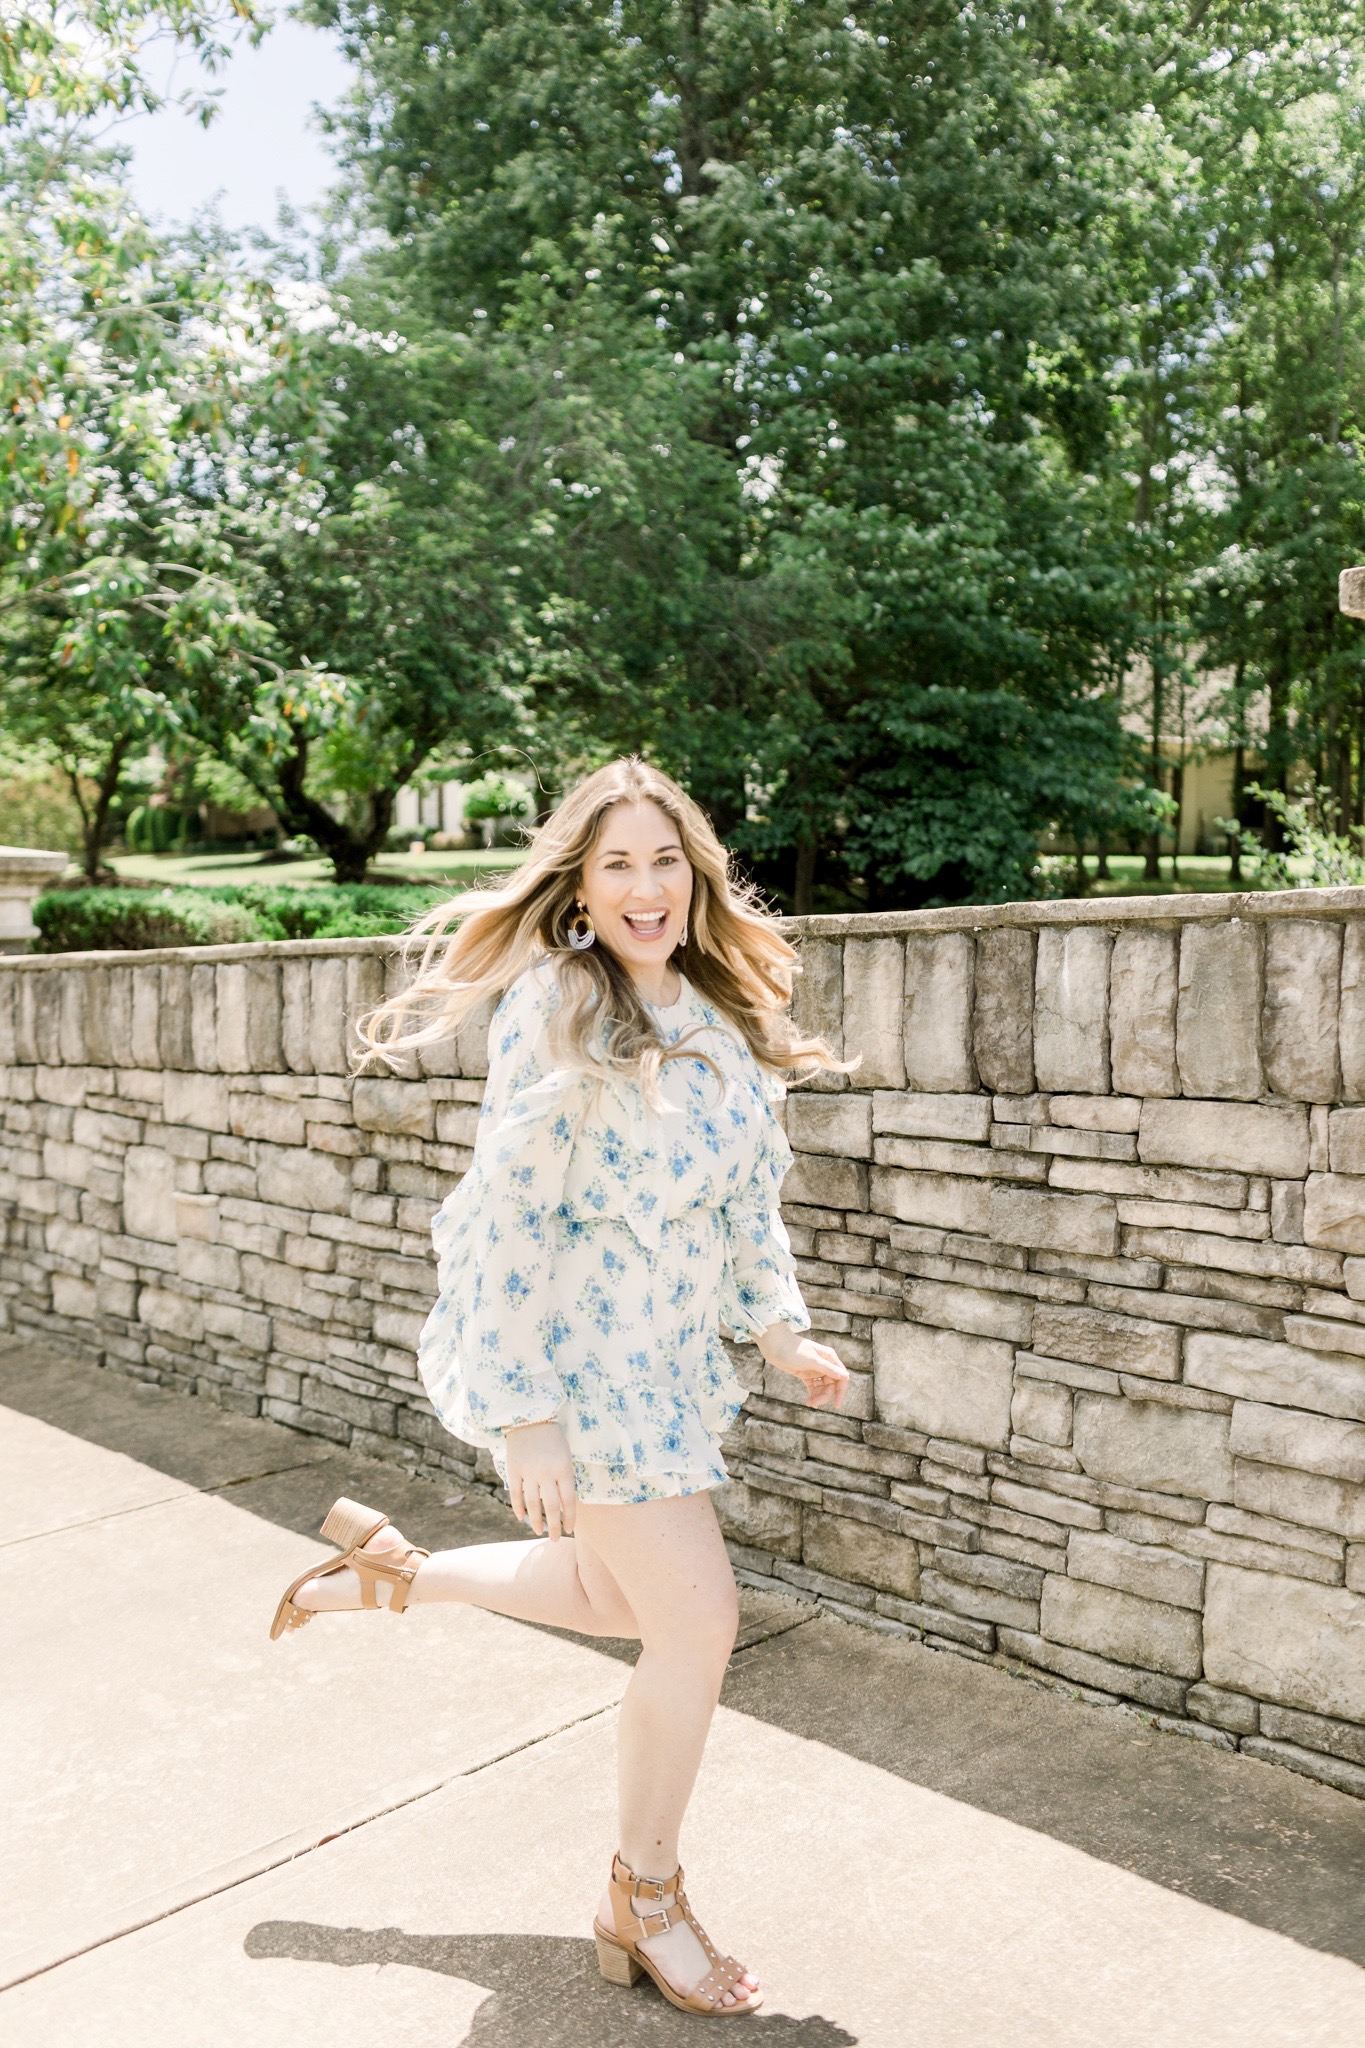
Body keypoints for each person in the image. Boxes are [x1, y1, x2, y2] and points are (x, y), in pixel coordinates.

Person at [270, 757, 847, 2018]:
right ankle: (643, 1896)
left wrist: (783, 1329)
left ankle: (396, 1572)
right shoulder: (557, 1005)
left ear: (696, 873)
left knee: (609, 1590)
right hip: (586, 1376)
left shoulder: (723, 1015)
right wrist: (525, 1412)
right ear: (580, 889)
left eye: (665, 860)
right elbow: (512, 1216)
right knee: (696, 1623)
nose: (646, 887)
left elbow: (752, 1201)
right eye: (616, 864)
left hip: (675, 1374)